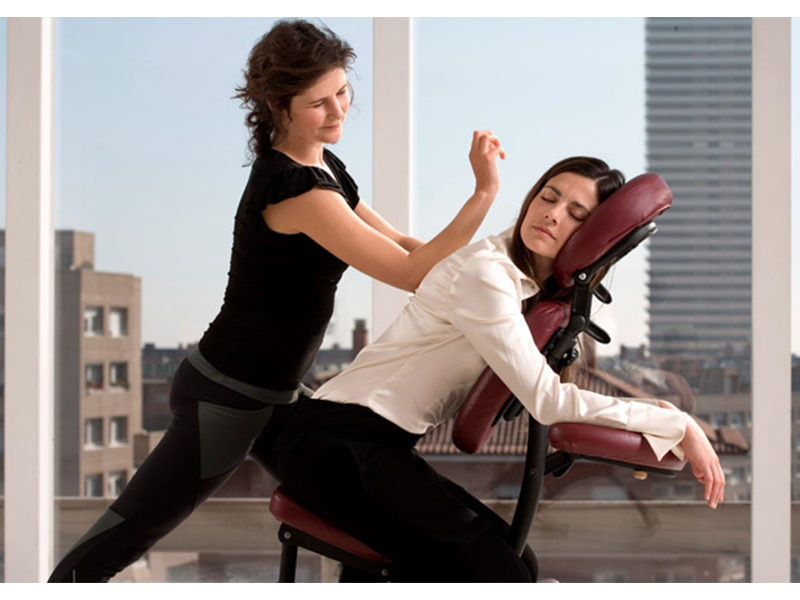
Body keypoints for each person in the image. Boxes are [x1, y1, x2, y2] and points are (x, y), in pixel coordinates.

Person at [49, 19, 504, 583]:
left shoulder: (323, 167)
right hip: (230, 398)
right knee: (129, 532)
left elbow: (409, 245)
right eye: (319, 102)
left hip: (276, 398)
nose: (339, 110)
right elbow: (412, 272)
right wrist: (483, 193)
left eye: (343, 91)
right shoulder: (296, 191)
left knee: (363, 494)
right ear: (277, 104)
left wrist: (499, 267)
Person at [272, 156, 726, 583]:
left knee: (518, 562)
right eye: (548, 197)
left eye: (576, 213)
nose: (552, 214)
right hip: (333, 445)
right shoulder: (487, 273)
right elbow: (547, 401)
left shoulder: (528, 288)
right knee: (501, 573)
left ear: (593, 238)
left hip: (375, 446)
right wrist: (674, 419)